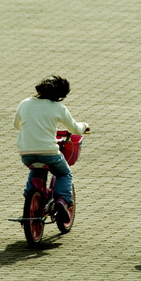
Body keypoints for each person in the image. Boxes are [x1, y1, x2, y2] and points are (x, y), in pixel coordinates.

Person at [13, 75, 89, 224]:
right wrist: (84, 126)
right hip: (49, 153)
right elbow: (74, 128)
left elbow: (17, 124)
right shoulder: (57, 107)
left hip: (26, 153)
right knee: (64, 173)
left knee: (36, 169)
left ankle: (31, 195)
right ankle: (62, 200)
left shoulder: (25, 103)